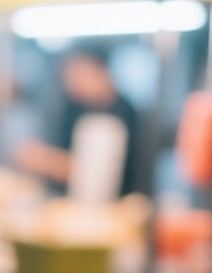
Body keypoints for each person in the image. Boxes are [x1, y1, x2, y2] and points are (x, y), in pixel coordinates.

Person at [16, 49, 140, 201]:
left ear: (101, 72)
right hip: (72, 202)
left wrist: (50, 162)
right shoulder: (73, 108)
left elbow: (104, 174)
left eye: (78, 75)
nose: (71, 83)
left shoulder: (126, 114)